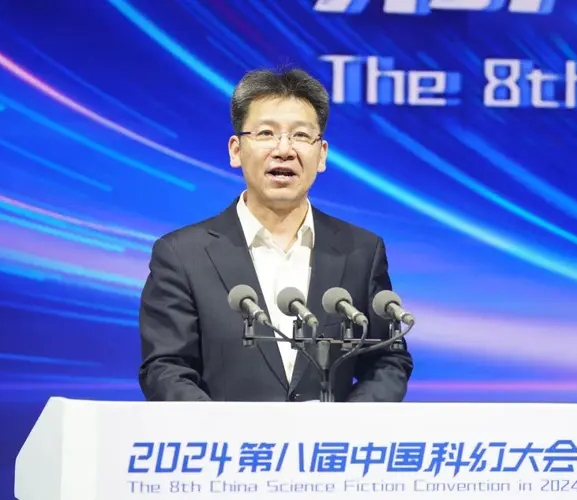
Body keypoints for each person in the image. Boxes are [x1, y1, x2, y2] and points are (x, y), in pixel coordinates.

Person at [138, 67, 413, 402]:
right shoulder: (182, 254)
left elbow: (387, 359)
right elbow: (166, 367)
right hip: (226, 436)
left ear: (321, 154)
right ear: (236, 150)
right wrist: (221, 428)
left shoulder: (361, 251)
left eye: (301, 135)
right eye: (266, 133)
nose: (284, 149)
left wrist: (345, 423)